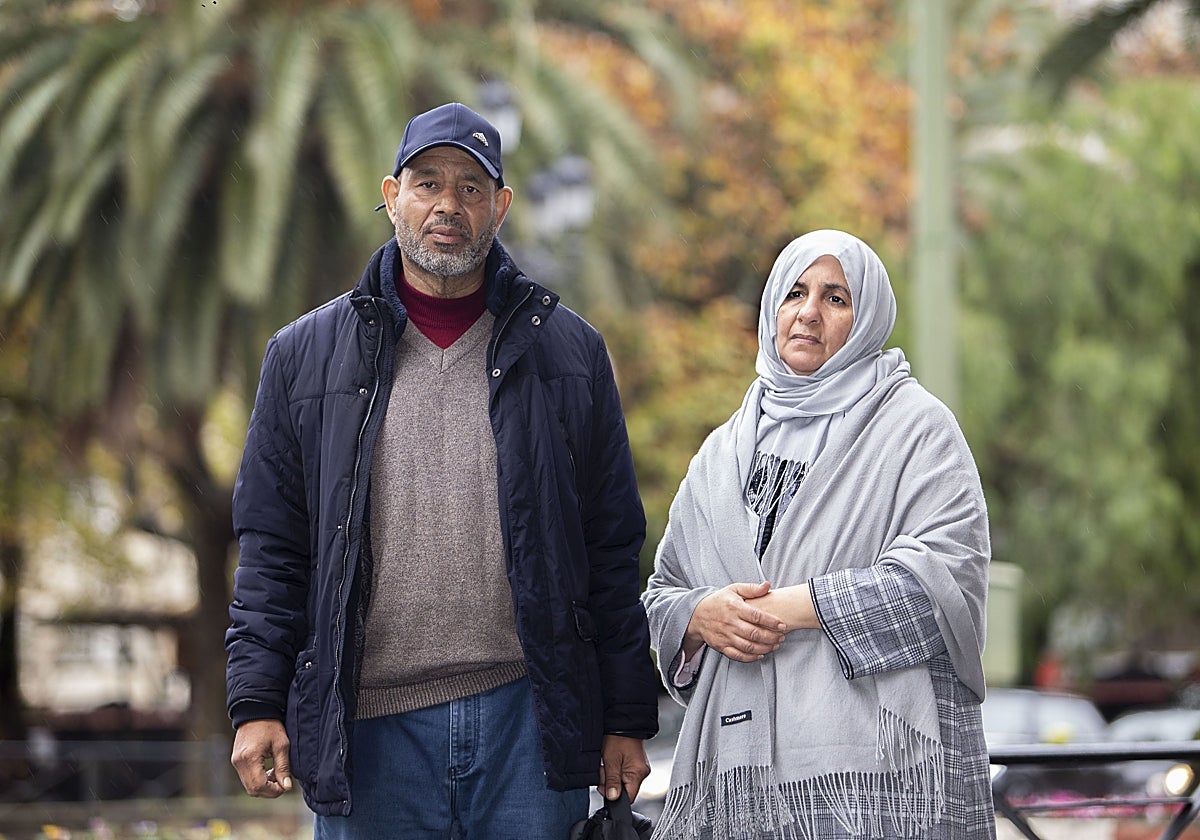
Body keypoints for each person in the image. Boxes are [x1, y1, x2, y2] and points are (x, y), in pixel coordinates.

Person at [225, 102, 658, 839]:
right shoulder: (302, 358)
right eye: (428, 183)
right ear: (393, 196)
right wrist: (256, 702)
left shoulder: (570, 353)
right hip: (368, 731)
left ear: (501, 206)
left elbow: (611, 545)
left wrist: (624, 715)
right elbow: (274, 548)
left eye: (470, 187)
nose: (448, 205)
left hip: (529, 718)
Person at [642, 229, 994, 839]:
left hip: (878, 788)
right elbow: (664, 590)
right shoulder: (723, 450)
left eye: (836, 298)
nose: (808, 313)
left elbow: (946, 581)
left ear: (868, 318)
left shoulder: (915, 428)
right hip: (738, 785)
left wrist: (787, 609)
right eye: (795, 293)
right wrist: (703, 617)